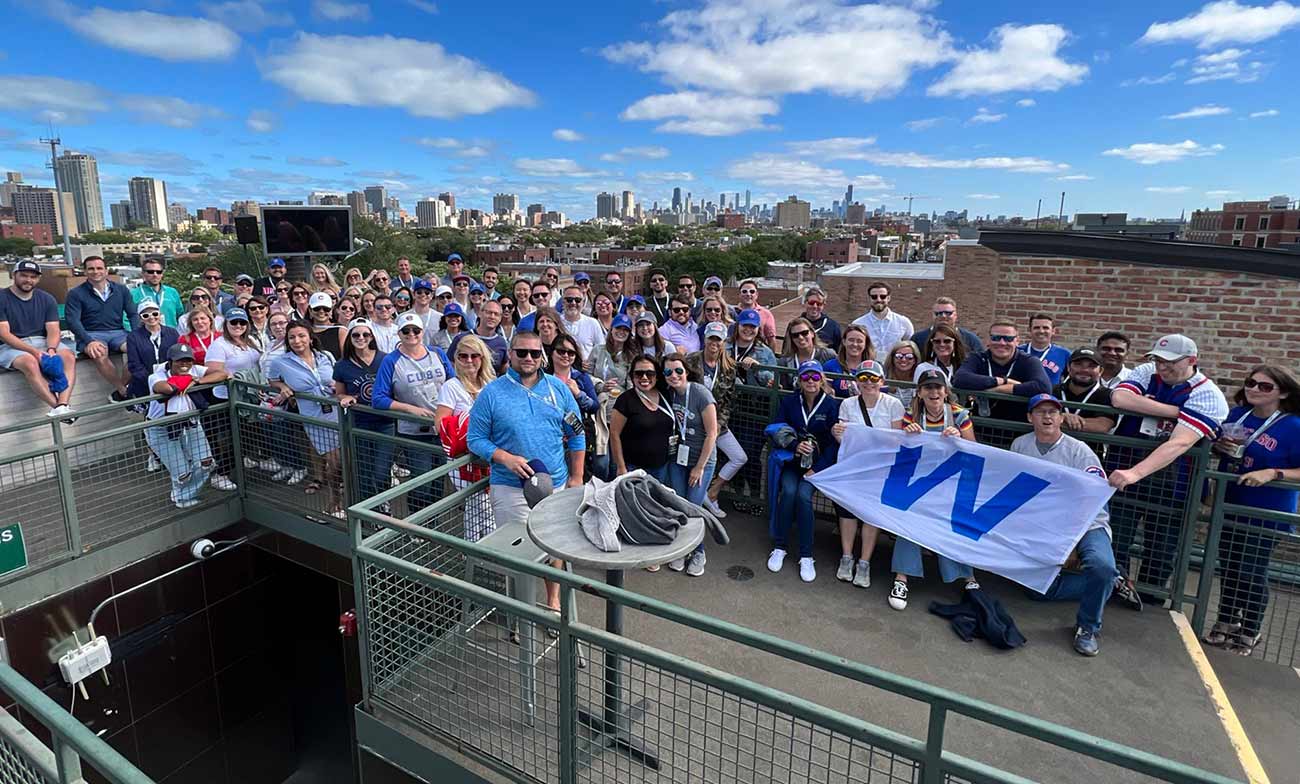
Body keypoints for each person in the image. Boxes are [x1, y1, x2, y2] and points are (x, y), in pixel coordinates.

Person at [468, 331, 585, 615]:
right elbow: (476, 438)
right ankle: (521, 610)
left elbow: (578, 434)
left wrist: (576, 477)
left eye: (535, 353)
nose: (529, 358)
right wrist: (504, 458)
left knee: (553, 546)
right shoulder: (492, 393)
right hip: (510, 486)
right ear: (510, 354)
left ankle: (553, 599)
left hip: (554, 483)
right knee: (519, 552)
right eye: (522, 353)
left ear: (542, 356)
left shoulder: (559, 390)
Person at [1108, 334, 1228, 603]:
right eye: (1158, 360)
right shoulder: (1147, 371)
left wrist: (1135, 473)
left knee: (1161, 549)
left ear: (1192, 360)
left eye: (1170, 362)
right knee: (1116, 538)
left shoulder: (1208, 394)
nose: (1162, 367)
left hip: (1174, 485)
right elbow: (1120, 398)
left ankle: (1150, 602)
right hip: (1125, 474)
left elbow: (1179, 443)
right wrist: (1175, 411)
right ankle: (1113, 591)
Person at [1012, 394, 1121, 657]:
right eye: (1040, 412)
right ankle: (1111, 585)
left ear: (1062, 417)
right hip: (1045, 524)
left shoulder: (1079, 450)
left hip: (1086, 522)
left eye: (1053, 412)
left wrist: (1069, 543)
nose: (1047, 417)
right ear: (1030, 417)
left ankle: (1088, 627)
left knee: (1102, 566)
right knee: (1038, 590)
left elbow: (1094, 499)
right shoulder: (1020, 445)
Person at [1205, 365, 1300, 656]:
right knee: (1230, 567)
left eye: (1265, 386)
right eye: (1251, 383)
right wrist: (1218, 447)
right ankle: (1226, 621)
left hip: (1267, 510)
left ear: (1282, 393)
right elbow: (1219, 449)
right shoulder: (1237, 416)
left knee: (1251, 570)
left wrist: (1273, 473)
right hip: (1230, 502)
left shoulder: (1293, 425)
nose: (1255, 389)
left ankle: (1250, 629)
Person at [890, 368, 980, 610]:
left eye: (938, 387)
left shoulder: (959, 415)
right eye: (928, 387)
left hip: (950, 483)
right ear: (919, 392)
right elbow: (900, 454)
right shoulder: (911, 415)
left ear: (946, 391)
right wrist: (906, 436)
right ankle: (902, 577)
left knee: (954, 519)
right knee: (908, 515)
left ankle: (967, 576)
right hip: (920, 483)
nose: (934, 392)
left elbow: (974, 450)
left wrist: (959, 436)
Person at [831, 360, 905, 587]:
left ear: (881, 381)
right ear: (857, 382)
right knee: (848, 513)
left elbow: (896, 439)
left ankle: (864, 562)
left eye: (873, 378)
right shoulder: (848, 404)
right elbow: (844, 438)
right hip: (853, 466)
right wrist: (837, 433)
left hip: (879, 470)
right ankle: (846, 557)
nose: (869, 383)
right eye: (863, 378)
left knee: (870, 515)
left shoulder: (894, 404)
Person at [373, 312, 454, 510]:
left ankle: (431, 524)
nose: (411, 334)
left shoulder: (437, 353)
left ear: (422, 331)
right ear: (399, 333)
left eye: (416, 330)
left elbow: (453, 383)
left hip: (443, 428)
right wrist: (410, 409)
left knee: (439, 481)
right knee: (422, 482)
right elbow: (378, 399)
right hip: (415, 431)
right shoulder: (391, 361)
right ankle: (416, 525)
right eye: (406, 331)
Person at [767, 360, 839, 583]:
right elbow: (778, 428)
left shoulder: (831, 405)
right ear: (799, 380)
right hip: (792, 462)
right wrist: (794, 445)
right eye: (806, 377)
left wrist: (816, 468)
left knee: (803, 496)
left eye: (815, 377)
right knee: (788, 492)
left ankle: (806, 555)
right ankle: (780, 546)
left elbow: (834, 443)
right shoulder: (789, 401)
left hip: (816, 468)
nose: (811, 381)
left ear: (822, 380)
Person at [270, 322, 344, 518]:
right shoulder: (281, 362)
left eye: (301, 336)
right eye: (292, 337)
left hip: (337, 411)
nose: (297, 341)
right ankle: (335, 501)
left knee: (342, 459)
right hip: (314, 416)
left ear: (310, 338)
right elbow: (271, 379)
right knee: (333, 460)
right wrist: (282, 386)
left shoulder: (325, 356)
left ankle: (342, 496)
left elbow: (338, 377)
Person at [435, 334, 499, 542]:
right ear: (456, 359)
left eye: (475, 356)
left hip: (488, 454)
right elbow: (440, 423)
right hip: (463, 458)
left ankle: (472, 548)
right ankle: (489, 548)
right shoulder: (451, 386)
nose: (469, 361)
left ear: (483, 358)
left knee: (477, 503)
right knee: (481, 503)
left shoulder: (492, 383)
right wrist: (471, 419)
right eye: (463, 356)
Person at [661, 352, 719, 576]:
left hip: (701, 460)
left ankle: (699, 552)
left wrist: (700, 467)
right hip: (678, 458)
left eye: (678, 370)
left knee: (693, 508)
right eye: (668, 372)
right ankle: (681, 550)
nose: (673, 375)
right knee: (679, 504)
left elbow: (712, 433)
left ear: (686, 371)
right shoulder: (669, 394)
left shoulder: (700, 393)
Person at [146, 343, 223, 508]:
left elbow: (223, 374)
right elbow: (164, 387)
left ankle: (184, 495)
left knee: (206, 463)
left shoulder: (195, 369)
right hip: (161, 428)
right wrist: (189, 381)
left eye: (188, 361)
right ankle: (181, 496)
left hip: (190, 424)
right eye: (179, 361)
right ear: (170, 361)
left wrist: (200, 380)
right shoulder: (157, 374)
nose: (184, 365)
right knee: (182, 472)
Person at [0, 261, 77, 417]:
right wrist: (34, 352)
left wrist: (51, 349)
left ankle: (63, 404)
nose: (28, 280)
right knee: (30, 362)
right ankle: (58, 408)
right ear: (13, 275)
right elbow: (4, 334)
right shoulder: (2, 298)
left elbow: (53, 329)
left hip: (42, 341)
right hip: (11, 346)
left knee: (68, 356)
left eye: (33, 277)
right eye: (24, 275)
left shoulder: (47, 298)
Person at [685, 323, 744, 519]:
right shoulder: (691, 360)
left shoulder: (729, 366)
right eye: (711, 338)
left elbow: (728, 401)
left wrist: (719, 424)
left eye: (718, 339)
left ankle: (712, 493)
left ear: (723, 342)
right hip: (692, 424)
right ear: (705, 339)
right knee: (703, 461)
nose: (714, 342)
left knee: (739, 457)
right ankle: (696, 501)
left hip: (716, 425)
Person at [203, 306, 262, 491]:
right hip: (226, 399)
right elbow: (213, 370)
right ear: (226, 324)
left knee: (247, 435)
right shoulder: (219, 345)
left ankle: (238, 465)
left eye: (242, 322)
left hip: (248, 397)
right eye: (233, 322)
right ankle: (221, 473)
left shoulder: (250, 341)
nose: (238, 326)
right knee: (229, 438)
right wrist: (231, 376)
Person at [65, 256, 138, 402]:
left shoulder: (121, 290)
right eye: (91, 268)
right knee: (99, 352)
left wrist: (136, 335)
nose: (95, 271)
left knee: (137, 349)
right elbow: (72, 320)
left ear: (106, 271)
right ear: (85, 271)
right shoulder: (76, 293)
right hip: (91, 334)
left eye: (99, 268)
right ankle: (123, 390)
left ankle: (119, 392)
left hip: (118, 332)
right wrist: (88, 341)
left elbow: (133, 314)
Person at [333, 318, 389, 500]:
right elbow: (339, 393)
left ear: (372, 336)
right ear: (349, 337)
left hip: (385, 422)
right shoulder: (342, 365)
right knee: (363, 469)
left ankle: (384, 502)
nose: (361, 338)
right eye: (356, 334)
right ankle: (368, 509)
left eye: (365, 334)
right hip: (359, 422)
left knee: (382, 470)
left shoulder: (384, 358)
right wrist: (345, 397)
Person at [952, 320, 1051, 421]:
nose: (1002, 343)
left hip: (1016, 428)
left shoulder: (1029, 361)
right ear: (989, 340)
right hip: (980, 427)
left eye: (1008, 339)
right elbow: (960, 379)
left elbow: (1043, 387)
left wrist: (998, 389)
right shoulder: (977, 358)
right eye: (996, 338)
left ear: (1017, 341)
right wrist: (1004, 381)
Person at [610, 353, 675, 489]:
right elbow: (614, 434)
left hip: (662, 467)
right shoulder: (625, 400)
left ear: (657, 376)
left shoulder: (666, 396)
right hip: (633, 468)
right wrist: (621, 467)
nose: (644, 377)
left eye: (650, 373)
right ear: (632, 377)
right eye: (639, 374)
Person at [1054, 348, 1117, 435]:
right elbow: (1037, 416)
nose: (1084, 370)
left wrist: (1056, 420)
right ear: (1068, 367)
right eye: (1078, 364)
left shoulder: (1108, 395)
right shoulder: (1052, 390)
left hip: (1091, 448)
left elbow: (1102, 426)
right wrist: (1062, 417)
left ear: (1100, 371)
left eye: (1091, 366)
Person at [126, 301, 179, 399]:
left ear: (160, 314)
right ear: (141, 318)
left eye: (155, 314)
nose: (151, 317)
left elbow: (177, 356)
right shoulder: (133, 337)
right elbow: (134, 364)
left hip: (170, 379)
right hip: (144, 383)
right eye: (146, 315)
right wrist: (151, 380)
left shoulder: (172, 333)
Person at [852, 282, 913, 364]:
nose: (878, 300)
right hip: (867, 367)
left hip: (895, 369)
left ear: (889, 298)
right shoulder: (858, 324)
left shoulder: (903, 322)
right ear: (869, 298)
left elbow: (910, 347)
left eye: (883, 296)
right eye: (874, 297)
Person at [910, 296, 983, 356]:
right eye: (938, 313)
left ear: (956, 315)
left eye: (948, 313)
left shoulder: (971, 340)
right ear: (933, 315)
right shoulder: (918, 339)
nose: (943, 316)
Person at [777, 317, 836, 390]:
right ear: (791, 339)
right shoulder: (784, 362)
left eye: (804, 333)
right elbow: (783, 389)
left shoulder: (828, 355)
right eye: (795, 335)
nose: (800, 337)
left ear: (812, 334)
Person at [453, 299, 508, 373]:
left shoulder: (501, 342)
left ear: (500, 318)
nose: (492, 317)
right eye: (489, 312)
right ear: (480, 313)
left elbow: (503, 369)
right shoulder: (461, 338)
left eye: (496, 314)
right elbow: (450, 364)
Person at [727, 309, 776, 386]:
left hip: (752, 396)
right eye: (745, 325)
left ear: (758, 328)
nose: (748, 329)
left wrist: (757, 368)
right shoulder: (723, 346)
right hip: (725, 394)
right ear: (737, 326)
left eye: (752, 326)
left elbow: (772, 381)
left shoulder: (766, 351)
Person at [1019, 313, 1072, 385]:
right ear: (1030, 330)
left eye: (1045, 328)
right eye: (1036, 327)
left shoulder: (1064, 354)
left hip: (1049, 395)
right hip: (1019, 395)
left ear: (1053, 331)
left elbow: (1070, 381)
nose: (1041, 331)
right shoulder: (1018, 351)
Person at [131, 259, 184, 328]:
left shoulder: (172, 292)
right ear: (143, 273)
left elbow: (180, 315)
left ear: (162, 274)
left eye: (158, 272)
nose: (155, 275)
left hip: (171, 335)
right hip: (145, 336)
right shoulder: (133, 294)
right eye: (150, 272)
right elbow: (126, 319)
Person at [824, 325, 872, 398]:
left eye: (860, 341)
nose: (855, 344)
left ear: (865, 344)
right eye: (851, 340)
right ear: (844, 341)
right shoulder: (830, 366)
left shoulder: (874, 368)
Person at [558, 285, 604, 360]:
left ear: (583, 303)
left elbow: (601, 351)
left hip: (586, 370)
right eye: (569, 299)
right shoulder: (556, 322)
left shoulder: (592, 323)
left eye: (577, 300)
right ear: (563, 302)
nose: (573, 303)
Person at [883, 340, 921, 412]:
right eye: (899, 356)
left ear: (915, 360)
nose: (903, 360)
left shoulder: (919, 379)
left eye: (909, 357)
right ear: (892, 358)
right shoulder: (883, 378)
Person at [736, 280, 776, 344]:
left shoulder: (766, 314)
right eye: (744, 291)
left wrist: (769, 354)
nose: (748, 294)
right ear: (739, 294)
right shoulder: (732, 311)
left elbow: (771, 339)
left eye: (752, 291)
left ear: (756, 294)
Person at [307, 292, 345, 359]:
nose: (321, 311)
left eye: (326, 309)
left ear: (331, 310)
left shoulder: (340, 330)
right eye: (317, 308)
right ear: (310, 310)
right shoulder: (305, 331)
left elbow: (345, 357)